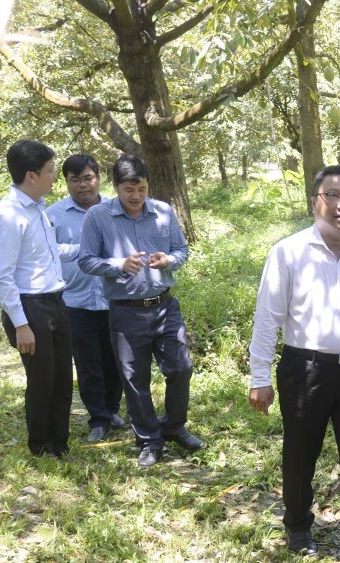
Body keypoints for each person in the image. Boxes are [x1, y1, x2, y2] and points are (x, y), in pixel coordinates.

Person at [248, 165, 340, 563]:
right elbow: (267, 319)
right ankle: (298, 523)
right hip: (306, 370)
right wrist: (260, 377)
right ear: (315, 200)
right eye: (333, 195)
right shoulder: (289, 253)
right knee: (301, 452)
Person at [78, 154, 202, 468]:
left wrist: (169, 260)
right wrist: (118, 264)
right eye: (129, 190)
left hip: (164, 305)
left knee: (181, 367)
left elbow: (182, 250)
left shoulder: (163, 211)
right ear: (115, 187)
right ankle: (149, 439)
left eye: (142, 189)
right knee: (135, 379)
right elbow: (86, 260)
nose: (136, 196)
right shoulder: (98, 217)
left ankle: (173, 426)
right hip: (126, 311)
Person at [0, 140, 73, 458]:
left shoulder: (38, 209)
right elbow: (4, 276)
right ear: (31, 175)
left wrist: (86, 250)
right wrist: (21, 325)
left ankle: (59, 442)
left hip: (55, 301)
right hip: (30, 307)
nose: (54, 176)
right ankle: (40, 445)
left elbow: (48, 253)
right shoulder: (8, 216)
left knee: (63, 378)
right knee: (42, 380)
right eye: (50, 171)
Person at [47, 155, 125, 443]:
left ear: (98, 179)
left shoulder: (116, 210)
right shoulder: (53, 215)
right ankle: (98, 419)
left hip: (114, 298)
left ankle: (112, 409)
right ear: (66, 182)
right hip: (75, 301)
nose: (83, 185)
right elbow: (47, 251)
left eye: (88, 178)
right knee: (88, 363)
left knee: (116, 359)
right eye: (75, 179)